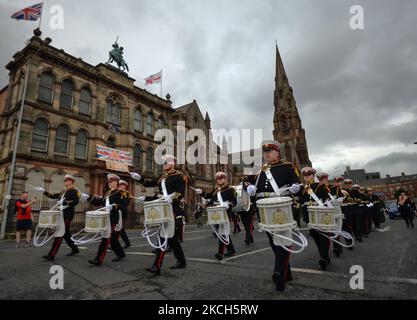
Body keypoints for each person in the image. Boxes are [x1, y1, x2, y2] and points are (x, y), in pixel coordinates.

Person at [246, 140, 300, 292]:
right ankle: (286, 270)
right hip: (263, 206)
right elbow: (246, 182)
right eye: (265, 152)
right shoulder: (260, 170)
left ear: (278, 152)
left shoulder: (288, 166)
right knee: (273, 239)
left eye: (270, 151)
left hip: (280, 205)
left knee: (283, 237)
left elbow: (297, 184)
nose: (267, 154)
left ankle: (278, 272)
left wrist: (295, 188)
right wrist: (249, 187)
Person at [131, 155, 187, 275]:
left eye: (166, 162)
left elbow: (180, 193)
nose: (164, 164)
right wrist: (140, 179)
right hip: (162, 206)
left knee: (164, 236)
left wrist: (171, 199)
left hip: (171, 207)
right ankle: (181, 261)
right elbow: (150, 183)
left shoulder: (179, 176)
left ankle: (157, 266)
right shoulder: (162, 176)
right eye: (163, 163)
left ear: (172, 163)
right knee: (171, 238)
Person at [196, 172, 237, 260]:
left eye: (221, 178)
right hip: (216, 213)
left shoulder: (230, 190)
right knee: (223, 232)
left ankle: (220, 253)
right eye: (218, 179)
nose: (220, 180)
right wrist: (201, 192)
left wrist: (228, 205)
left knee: (222, 232)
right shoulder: (216, 190)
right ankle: (231, 249)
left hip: (225, 213)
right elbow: (209, 196)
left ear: (225, 179)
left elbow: (234, 201)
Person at [87, 174, 126, 266]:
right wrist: (89, 198)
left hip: (112, 218)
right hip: (106, 217)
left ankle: (98, 259)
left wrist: (114, 206)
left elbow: (123, 204)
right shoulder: (107, 193)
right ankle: (121, 254)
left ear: (116, 182)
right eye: (108, 181)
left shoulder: (120, 193)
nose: (108, 183)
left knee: (105, 237)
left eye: (111, 181)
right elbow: (98, 203)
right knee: (112, 239)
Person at [40, 175, 81, 260]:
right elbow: (53, 196)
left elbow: (76, 202)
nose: (65, 182)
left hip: (67, 215)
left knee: (60, 233)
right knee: (66, 234)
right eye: (65, 180)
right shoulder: (64, 192)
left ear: (71, 181)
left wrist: (65, 202)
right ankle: (75, 249)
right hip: (61, 214)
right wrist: (45, 191)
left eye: (66, 180)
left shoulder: (74, 191)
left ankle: (51, 254)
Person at [330, 176, 345, 257]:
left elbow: (341, 197)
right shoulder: (331, 188)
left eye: (340, 181)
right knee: (333, 228)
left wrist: (340, 199)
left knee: (338, 228)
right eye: (338, 181)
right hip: (330, 209)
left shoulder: (337, 189)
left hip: (338, 209)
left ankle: (338, 246)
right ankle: (337, 246)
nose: (339, 183)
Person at [118, 180, 132, 249]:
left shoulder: (127, 193)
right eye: (120, 185)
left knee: (120, 229)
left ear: (125, 186)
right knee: (118, 229)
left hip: (122, 212)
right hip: (116, 212)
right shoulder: (117, 192)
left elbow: (126, 203)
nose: (121, 186)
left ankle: (127, 243)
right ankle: (126, 243)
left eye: (123, 185)